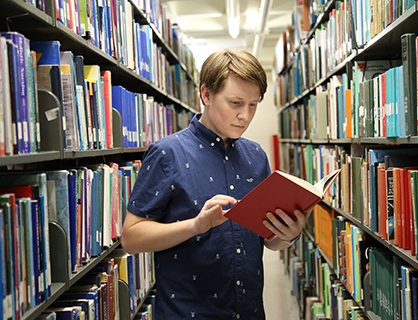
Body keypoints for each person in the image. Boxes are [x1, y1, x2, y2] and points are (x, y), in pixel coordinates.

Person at [121, 48, 311, 320]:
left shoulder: (256, 156)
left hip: (250, 311)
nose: (245, 115)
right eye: (235, 103)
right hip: (188, 312)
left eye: (253, 104)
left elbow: (269, 241)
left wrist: (288, 233)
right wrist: (196, 225)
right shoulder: (167, 154)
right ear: (206, 95)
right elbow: (131, 238)